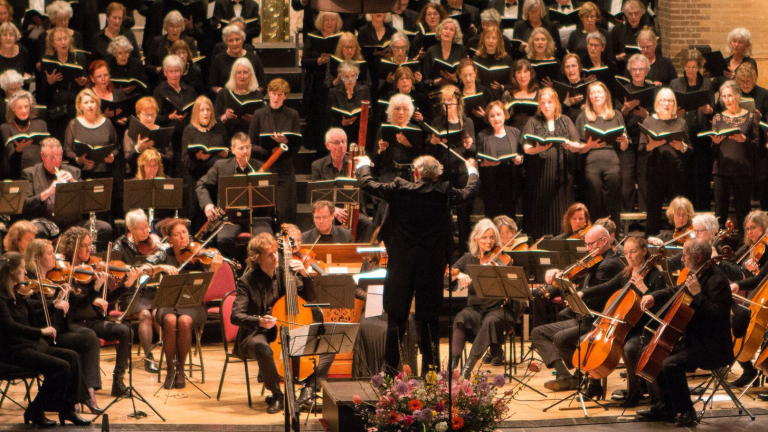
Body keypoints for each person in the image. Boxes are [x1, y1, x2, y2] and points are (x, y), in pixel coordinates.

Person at [356, 154, 480, 375]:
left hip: (401, 265)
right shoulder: (444, 192)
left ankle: (390, 373)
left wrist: (364, 164)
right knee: (429, 321)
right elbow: (470, 192)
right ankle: (430, 373)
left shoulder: (399, 188)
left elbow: (367, 184)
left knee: (396, 319)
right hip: (430, 267)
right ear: (437, 175)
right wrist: (472, 170)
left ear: (416, 173)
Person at [232, 232, 333, 413]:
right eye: (269, 254)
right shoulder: (246, 281)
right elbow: (236, 316)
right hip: (258, 332)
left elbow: (310, 297)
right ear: (258, 258)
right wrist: (260, 320)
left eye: (275, 252)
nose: (275, 257)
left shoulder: (285, 273)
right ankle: (278, 395)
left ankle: (308, 391)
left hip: (289, 327)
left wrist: (304, 273)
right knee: (262, 347)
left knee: (328, 345)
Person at [638, 237, 733, 427]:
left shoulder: (718, 280)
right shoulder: (697, 273)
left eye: (685, 255)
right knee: (655, 354)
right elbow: (674, 290)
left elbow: (716, 316)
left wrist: (698, 295)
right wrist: (652, 296)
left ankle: (688, 411)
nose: (682, 259)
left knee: (671, 364)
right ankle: (667, 406)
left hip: (713, 346)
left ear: (698, 257)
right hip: (695, 340)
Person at [529, 225, 624, 396]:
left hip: (595, 321)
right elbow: (581, 281)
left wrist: (572, 290)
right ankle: (567, 376)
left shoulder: (608, 264)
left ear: (604, 241)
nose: (588, 249)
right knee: (538, 333)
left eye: (591, 244)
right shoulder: (596, 258)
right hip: (582, 317)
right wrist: (561, 282)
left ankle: (584, 373)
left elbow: (593, 299)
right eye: (586, 244)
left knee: (560, 338)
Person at [0, 251, 91, 427]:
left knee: (71, 356)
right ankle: (36, 409)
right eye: (23, 269)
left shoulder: (17, 295)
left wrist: (55, 304)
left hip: (28, 347)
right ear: (11, 271)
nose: (26, 273)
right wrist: (40, 332)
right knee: (60, 367)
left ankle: (68, 409)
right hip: (11, 350)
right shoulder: (1, 298)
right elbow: (8, 326)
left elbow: (35, 317)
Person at [56, 227, 139, 398]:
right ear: (73, 247)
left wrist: (127, 285)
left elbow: (106, 298)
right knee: (90, 337)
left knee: (126, 331)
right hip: (74, 323)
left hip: (93, 321)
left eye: (89, 245)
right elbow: (76, 305)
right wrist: (94, 292)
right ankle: (88, 389)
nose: (89, 249)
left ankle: (118, 380)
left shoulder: (89, 270)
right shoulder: (65, 272)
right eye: (84, 246)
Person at [24, 238, 103, 415]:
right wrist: (55, 304)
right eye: (50, 253)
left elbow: (80, 305)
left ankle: (85, 394)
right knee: (87, 339)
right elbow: (33, 317)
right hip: (48, 335)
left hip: (64, 329)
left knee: (90, 339)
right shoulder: (30, 285)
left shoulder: (54, 281)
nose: (55, 257)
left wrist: (96, 288)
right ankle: (83, 396)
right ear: (37, 258)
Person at [146, 218, 223, 389]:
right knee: (170, 320)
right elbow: (144, 269)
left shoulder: (198, 254)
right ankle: (170, 370)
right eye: (177, 234)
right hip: (168, 304)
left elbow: (205, 288)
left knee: (184, 321)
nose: (183, 236)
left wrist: (213, 270)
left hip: (193, 305)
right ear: (170, 239)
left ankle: (180, 369)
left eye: (184, 232)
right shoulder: (164, 255)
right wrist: (160, 268)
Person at [449, 219, 524, 376]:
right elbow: (448, 273)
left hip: (499, 310)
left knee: (490, 321)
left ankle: (468, 368)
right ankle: (453, 366)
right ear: (476, 239)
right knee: (461, 317)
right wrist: (459, 274)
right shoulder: (468, 259)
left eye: (492, 238)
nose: (489, 242)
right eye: (484, 238)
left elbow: (514, 289)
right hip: (476, 308)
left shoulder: (503, 260)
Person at [112, 209, 178, 373]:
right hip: (131, 292)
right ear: (131, 229)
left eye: (147, 226)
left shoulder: (154, 243)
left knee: (158, 314)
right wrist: (157, 267)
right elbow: (118, 269)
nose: (146, 231)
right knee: (146, 315)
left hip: (153, 290)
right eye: (140, 228)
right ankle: (149, 357)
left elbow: (166, 255)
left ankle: (171, 356)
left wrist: (164, 250)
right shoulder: (119, 245)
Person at [21, 138, 113, 250]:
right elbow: (26, 204)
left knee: (105, 228)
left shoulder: (74, 171)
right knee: (36, 231)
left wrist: (74, 183)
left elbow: (86, 202)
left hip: (73, 222)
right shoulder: (30, 173)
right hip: (46, 223)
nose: (54, 160)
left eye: (57, 156)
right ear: (42, 156)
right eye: (50, 157)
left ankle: (88, 258)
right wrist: (49, 191)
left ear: (61, 155)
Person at [608, 236, 667, 407]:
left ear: (644, 251)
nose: (629, 256)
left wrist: (644, 289)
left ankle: (635, 394)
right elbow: (606, 287)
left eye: (633, 252)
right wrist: (583, 293)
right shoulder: (627, 274)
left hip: (648, 328)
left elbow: (660, 311)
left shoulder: (656, 276)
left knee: (631, 347)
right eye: (626, 253)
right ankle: (636, 388)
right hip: (630, 327)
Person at [521, 86, 581, 239]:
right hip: (540, 175)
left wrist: (569, 144)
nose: (546, 106)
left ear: (556, 103)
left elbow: (577, 146)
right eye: (543, 103)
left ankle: (562, 240)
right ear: (539, 105)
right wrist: (538, 148)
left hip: (562, 174)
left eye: (549, 102)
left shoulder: (565, 120)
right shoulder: (533, 121)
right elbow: (527, 148)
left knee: (561, 211)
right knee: (541, 212)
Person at [196, 132, 268, 259]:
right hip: (230, 219)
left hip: (256, 217)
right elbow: (201, 184)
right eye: (241, 148)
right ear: (233, 150)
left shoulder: (260, 167)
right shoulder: (221, 166)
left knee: (265, 241)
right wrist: (207, 205)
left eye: (248, 147)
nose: (245, 151)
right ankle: (237, 267)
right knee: (224, 239)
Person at [708, 80, 760, 232]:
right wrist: (716, 143)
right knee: (720, 211)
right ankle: (717, 247)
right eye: (724, 97)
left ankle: (746, 247)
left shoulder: (750, 117)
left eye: (730, 96)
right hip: (721, 169)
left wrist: (744, 140)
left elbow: (757, 146)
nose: (727, 100)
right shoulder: (718, 118)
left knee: (743, 211)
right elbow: (712, 150)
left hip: (742, 169)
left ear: (738, 96)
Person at [248, 78, 301, 225]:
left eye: (280, 94)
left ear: (286, 96)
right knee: (266, 211)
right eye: (273, 93)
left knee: (286, 212)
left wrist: (286, 143)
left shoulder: (293, 115)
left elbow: (297, 146)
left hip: (285, 167)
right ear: (269, 93)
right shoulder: (259, 114)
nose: (276, 97)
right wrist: (269, 150)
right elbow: (250, 144)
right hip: (265, 166)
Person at [429, 85, 476, 253]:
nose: (447, 104)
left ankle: (465, 249)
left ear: (458, 101)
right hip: (445, 169)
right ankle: (446, 249)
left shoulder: (467, 121)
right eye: (444, 101)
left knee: (464, 213)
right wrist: (434, 143)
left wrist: (469, 145)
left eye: (450, 100)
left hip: (462, 171)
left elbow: (472, 151)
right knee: (445, 213)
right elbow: (432, 152)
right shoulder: (438, 122)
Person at [575, 81, 628, 225]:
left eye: (599, 92)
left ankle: (614, 236)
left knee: (612, 202)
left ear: (606, 95)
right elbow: (579, 148)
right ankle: (595, 236)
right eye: (592, 93)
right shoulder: (583, 117)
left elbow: (623, 147)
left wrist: (624, 140)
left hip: (612, 161)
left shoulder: (616, 115)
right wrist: (589, 145)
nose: (596, 95)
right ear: (589, 98)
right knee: (594, 201)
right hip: (592, 161)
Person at [669, 49, 715, 210]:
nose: (691, 71)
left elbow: (712, 108)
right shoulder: (676, 84)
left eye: (694, 67)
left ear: (699, 67)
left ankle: (703, 212)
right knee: (684, 176)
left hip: (701, 136)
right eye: (688, 67)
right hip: (683, 135)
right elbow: (670, 108)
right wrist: (676, 112)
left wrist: (708, 110)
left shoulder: (707, 83)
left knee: (702, 177)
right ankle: (685, 212)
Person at [640, 88, 690, 236]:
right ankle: (650, 243)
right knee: (653, 210)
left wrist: (682, 147)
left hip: (676, 171)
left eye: (670, 100)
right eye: (663, 100)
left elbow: (689, 147)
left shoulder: (681, 122)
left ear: (674, 103)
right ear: (657, 103)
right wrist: (652, 145)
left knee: (678, 211)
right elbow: (642, 148)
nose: (666, 103)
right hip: (655, 171)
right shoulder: (649, 121)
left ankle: (678, 239)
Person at [616, 54, 655, 214]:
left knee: (646, 182)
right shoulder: (623, 91)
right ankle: (627, 218)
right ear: (630, 71)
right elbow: (616, 117)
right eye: (634, 69)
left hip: (646, 142)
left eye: (641, 69)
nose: (637, 72)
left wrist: (647, 115)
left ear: (646, 71)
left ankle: (645, 218)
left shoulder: (653, 91)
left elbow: (659, 116)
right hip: (628, 142)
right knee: (626, 182)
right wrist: (624, 110)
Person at [181, 96, 229, 226]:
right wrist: (198, 157)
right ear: (196, 112)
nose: (206, 113)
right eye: (202, 110)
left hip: (216, 180)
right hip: (197, 177)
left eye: (208, 110)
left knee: (217, 218)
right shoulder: (189, 130)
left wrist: (225, 154)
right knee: (198, 218)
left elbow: (228, 150)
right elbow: (185, 159)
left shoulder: (219, 128)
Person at [301, 11, 343, 151]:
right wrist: (318, 60)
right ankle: (318, 145)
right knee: (318, 115)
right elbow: (304, 61)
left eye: (333, 20)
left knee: (330, 115)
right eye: (327, 20)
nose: (330, 23)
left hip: (336, 81)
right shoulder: (313, 37)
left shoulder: (341, 37)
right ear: (321, 22)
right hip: (316, 82)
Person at [37, 26, 88, 140]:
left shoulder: (79, 57)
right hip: (56, 108)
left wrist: (82, 83)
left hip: (74, 104)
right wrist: (50, 82)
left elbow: (84, 80)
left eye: (65, 38)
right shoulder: (47, 59)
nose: (63, 42)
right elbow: (43, 93)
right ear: (53, 44)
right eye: (59, 39)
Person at [476, 100, 523, 219]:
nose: (496, 118)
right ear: (488, 118)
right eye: (492, 116)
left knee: (509, 217)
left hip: (510, 180)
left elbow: (522, 154)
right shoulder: (483, 135)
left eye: (499, 114)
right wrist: (486, 163)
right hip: (491, 182)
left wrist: (520, 159)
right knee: (492, 216)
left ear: (505, 115)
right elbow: (478, 159)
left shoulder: (515, 132)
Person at [208, 24, 266, 95]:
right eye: (231, 40)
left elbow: (263, 85)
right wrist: (220, 91)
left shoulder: (254, 59)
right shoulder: (218, 59)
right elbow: (211, 86)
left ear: (243, 40)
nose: (234, 43)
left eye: (237, 39)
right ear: (226, 42)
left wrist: (254, 93)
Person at [2, 91, 48, 178]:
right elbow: (10, 159)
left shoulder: (41, 124)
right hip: (18, 171)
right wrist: (19, 149)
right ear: (12, 108)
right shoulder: (5, 127)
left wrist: (45, 145)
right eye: (19, 107)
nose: (24, 111)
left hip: (40, 170)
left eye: (26, 107)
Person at [215, 57, 264, 139]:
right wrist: (225, 117)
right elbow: (215, 119)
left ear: (250, 74)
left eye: (245, 72)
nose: (242, 76)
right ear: (234, 74)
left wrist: (253, 120)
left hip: (250, 135)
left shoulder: (257, 94)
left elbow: (264, 121)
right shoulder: (223, 93)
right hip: (228, 134)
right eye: (239, 72)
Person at [124, 96, 174, 177]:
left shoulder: (162, 131)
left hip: (159, 175)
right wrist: (138, 149)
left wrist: (157, 156)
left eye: (153, 115)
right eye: (146, 115)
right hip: (137, 176)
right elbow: (128, 158)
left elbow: (170, 158)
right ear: (138, 114)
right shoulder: (129, 132)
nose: (150, 118)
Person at [422, 18, 467, 89]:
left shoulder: (461, 50)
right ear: (440, 31)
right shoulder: (431, 50)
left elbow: (465, 76)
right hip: (436, 90)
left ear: (455, 35)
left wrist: (455, 79)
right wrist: (435, 82)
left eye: (451, 30)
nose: (447, 32)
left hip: (455, 89)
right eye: (445, 28)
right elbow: (425, 80)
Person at [458, 58, 494, 134]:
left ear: (475, 73)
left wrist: (485, 115)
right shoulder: (457, 93)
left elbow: (492, 116)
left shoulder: (485, 92)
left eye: (470, 74)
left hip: (482, 130)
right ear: (460, 76)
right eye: (464, 75)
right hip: (463, 131)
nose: (468, 79)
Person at [505, 59, 539, 130]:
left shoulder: (540, 93)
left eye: (525, 71)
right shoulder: (508, 94)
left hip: (535, 131)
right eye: (519, 72)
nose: (522, 76)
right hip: (514, 131)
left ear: (531, 73)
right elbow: (504, 117)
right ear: (514, 75)